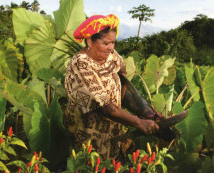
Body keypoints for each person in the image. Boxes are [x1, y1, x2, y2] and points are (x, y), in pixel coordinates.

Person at [63, 14, 161, 160]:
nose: (111, 48)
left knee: (113, 162)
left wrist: (147, 113)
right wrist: (139, 122)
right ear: (90, 41)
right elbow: (107, 108)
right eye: (106, 43)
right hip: (89, 130)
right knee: (92, 164)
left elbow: (122, 71)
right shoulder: (81, 64)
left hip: (113, 125)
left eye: (113, 42)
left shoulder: (110, 54)